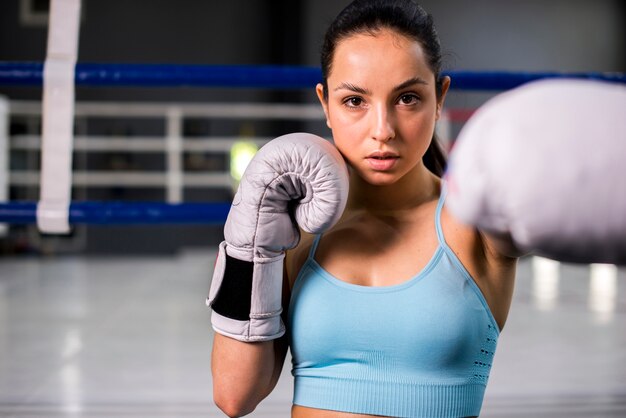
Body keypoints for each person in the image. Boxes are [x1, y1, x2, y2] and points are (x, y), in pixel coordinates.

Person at [210, 1, 522, 417]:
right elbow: (234, 396)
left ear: (440, 97)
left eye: (408, 98)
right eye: (355, 101)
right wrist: (248, 244)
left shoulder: (475, 223)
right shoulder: (295, 234)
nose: (382, 130)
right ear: (325, 103)